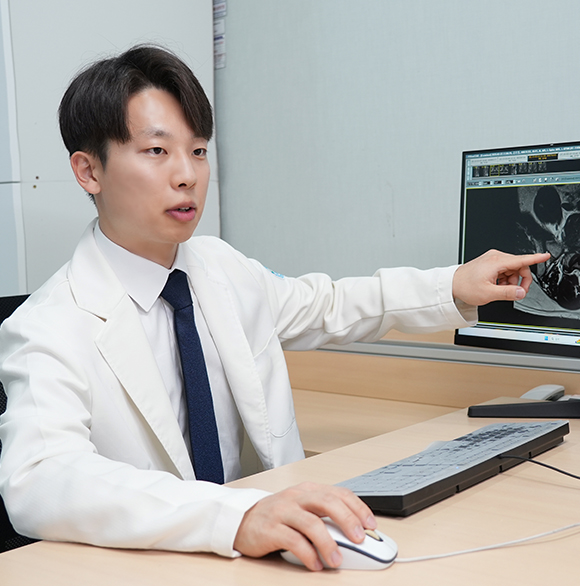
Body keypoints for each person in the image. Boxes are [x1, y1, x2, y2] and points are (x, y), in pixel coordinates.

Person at [0, 45, 549, 571]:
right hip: (161, 563)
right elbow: (40, 478)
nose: (187, 174)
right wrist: (233, 517)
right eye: (157, 151)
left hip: (270, 552)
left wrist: (453, 284)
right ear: (88, 171)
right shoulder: (47, 326)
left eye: (198, 150)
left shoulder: (219, 267)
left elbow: (327, 304)